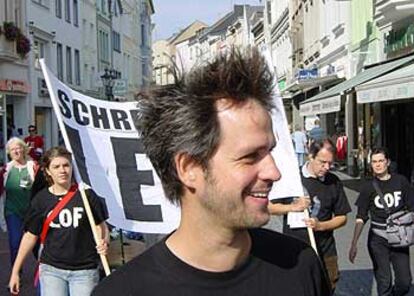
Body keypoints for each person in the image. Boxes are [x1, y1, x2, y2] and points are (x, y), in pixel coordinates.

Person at [92, 48, 330, 296]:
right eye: (250, 156)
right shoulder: (120, 291)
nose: (274, 172)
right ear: (189, 168)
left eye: (270, 151)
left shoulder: (300, 264)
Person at [8, 146, 109, 296]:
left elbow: (102, 226)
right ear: (48, 171)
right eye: (56, 167)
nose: (62, 170)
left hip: (85, 270)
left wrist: (104, 242)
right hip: (52, 270)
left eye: (66, 165)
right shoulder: (41, 200)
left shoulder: (86, 195)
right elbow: (30, 236)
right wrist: (15, 271)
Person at [268, 138, 351, 292]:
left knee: (327, 287)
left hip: (326, 250)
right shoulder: (292, 179)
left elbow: (342, 218)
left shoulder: (333, 182)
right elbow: (269, 207)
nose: (327, 167)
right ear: (310, 156)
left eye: (330, 163)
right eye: (322, 162)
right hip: (295, 249)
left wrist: (321, 226)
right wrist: (293, 207)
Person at [349, 148, 414, 296]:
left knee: (404, 282)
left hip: (399, 237)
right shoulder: (368, 187)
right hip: (378, 239)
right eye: (374, 162)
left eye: (381, 161)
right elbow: (361, 216)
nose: (377, 165)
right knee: (384, 281)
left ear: (387, 162)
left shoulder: (401, 181)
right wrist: (354, 244)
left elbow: (412, 207)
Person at [0, 137, 39, 268]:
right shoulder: (6, 170)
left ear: (24, 149)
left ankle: (43, 273)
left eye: (18, 148)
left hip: (31, 212)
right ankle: (17, 272)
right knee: (15, 243)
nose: (16, 151)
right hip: (13, 211)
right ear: (9, 153)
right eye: (12, 149)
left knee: (36, 244)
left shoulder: (33, 167)